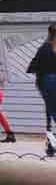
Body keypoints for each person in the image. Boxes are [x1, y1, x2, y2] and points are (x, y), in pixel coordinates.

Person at [26, 24, 56, 154]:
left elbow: (32, 66)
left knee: (51, 112)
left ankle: (50, 145)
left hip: (48, 82)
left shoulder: (44, 48)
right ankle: (50, 145)